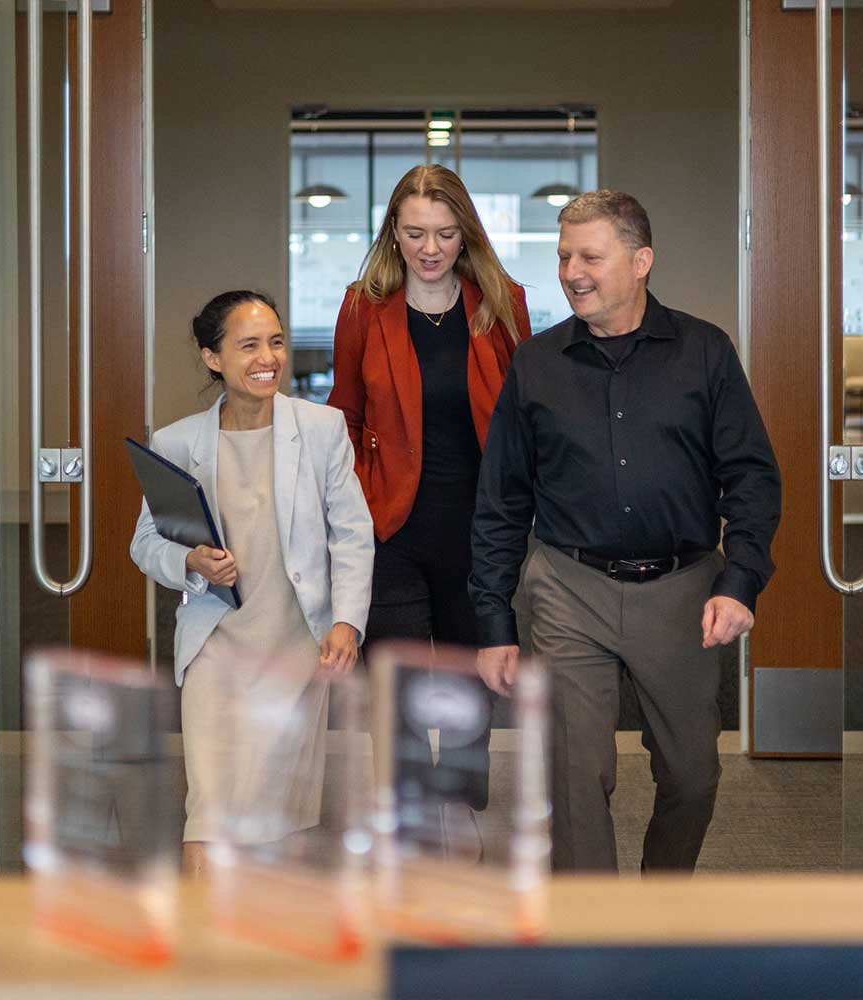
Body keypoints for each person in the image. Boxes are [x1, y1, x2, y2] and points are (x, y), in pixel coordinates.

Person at [470, 190, 781, 872]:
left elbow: (752, 476)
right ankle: (597, 932)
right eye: (563, 256)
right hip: (568, 586)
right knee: (574, 777)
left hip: (682, 588)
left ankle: (658, 906)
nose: (572, 271)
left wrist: (740, 581)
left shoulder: (704, 352)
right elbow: (501, 501)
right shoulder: (537, 364)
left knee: (692, 775)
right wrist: (494, 622)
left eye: (590, 256)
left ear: (641, 261)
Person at [130, 290, 373, 875]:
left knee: (274, 815)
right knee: (208, 808)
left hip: (295, 645)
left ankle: (263, 948)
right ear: (213, 358)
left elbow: (352, 534)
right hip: (217, 646)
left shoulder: (321, 429)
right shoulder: (178, 443)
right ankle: (201, 955)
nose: (268, 357)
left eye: (276, 341)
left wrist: (346, 621)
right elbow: (146, 544)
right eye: (248, 345)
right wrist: (190, 562)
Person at [328, 164, 532, 854]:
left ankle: (462, 791)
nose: (430, 248)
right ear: (393, 232)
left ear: (466, 233)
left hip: (478, 526)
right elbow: (345, 417)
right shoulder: (363, 308)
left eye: (445, 233)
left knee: (475, 674)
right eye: (415, 233)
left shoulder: (502, 304)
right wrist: (357, 495)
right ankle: (409, 807)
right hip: (391, 523)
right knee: (401, 673)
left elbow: (523, 418)